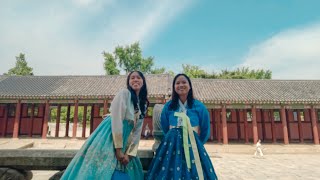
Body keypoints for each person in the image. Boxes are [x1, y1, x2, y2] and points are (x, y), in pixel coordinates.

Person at [61, 71, 148, 180]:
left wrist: (130, 153)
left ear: (143, 81)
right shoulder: (124, 93)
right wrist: (118, 149)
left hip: (126, 139)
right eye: (132, 78)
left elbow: (137, 131)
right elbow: (117, 119)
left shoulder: (142, 104)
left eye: (138, 78)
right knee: (103, 169)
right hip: (110, 134)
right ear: (128, 82)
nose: (135, 79)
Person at [146, 73, 218, 180]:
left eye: (184, 82)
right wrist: (173, 137)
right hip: (171, 145)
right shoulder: (168, 106)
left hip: (193, 145)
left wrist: (196, 143)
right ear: (174, 87)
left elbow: (205, 129)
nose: (181, 85)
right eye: (177, 83)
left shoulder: (199, 107)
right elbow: (165, 126)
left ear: (190, 86)